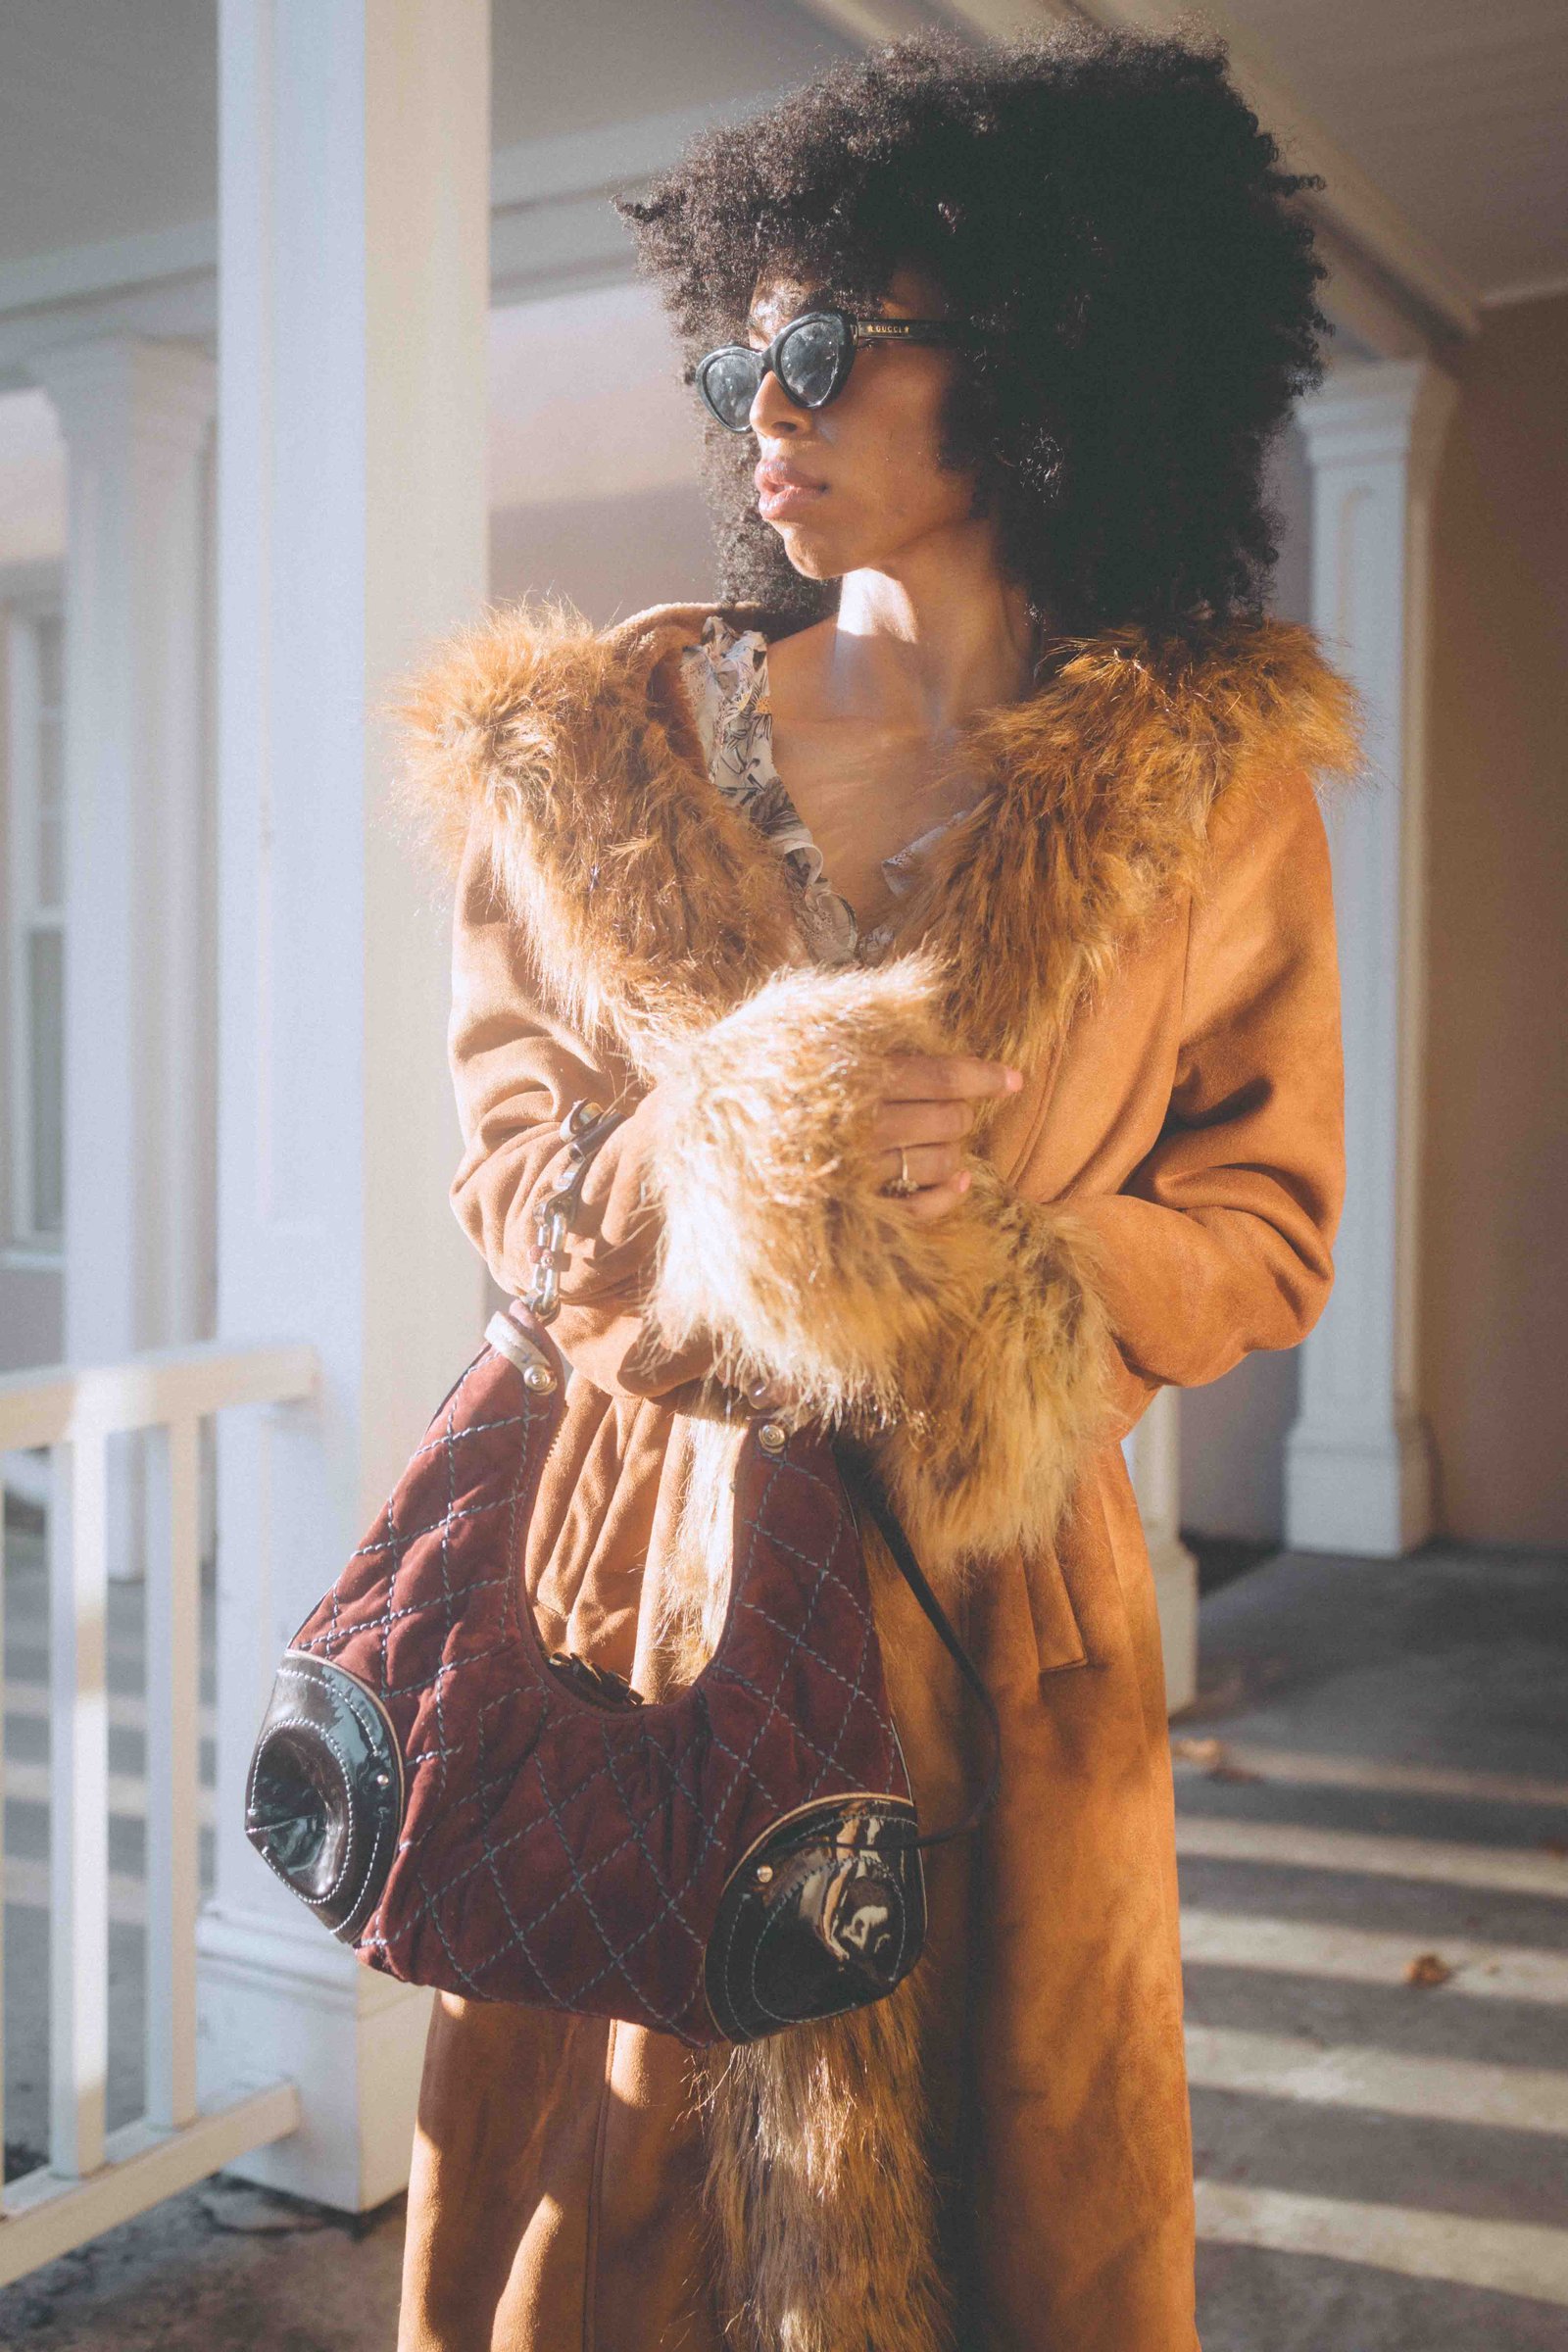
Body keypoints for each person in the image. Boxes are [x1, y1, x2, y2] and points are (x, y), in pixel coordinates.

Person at [395, 24, 1355, 2352]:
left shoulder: (1203, 792)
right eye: (742, 346)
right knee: (614, 2235)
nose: (761, 402)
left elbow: (1265, 1229)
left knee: (1010, 2209)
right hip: (650, 1598)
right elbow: (511, 1176)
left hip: (999, 1628)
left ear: (1043, 364)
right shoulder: (605, 751)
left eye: (824, 345)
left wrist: (1011, 1263)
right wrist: (706, 1155)